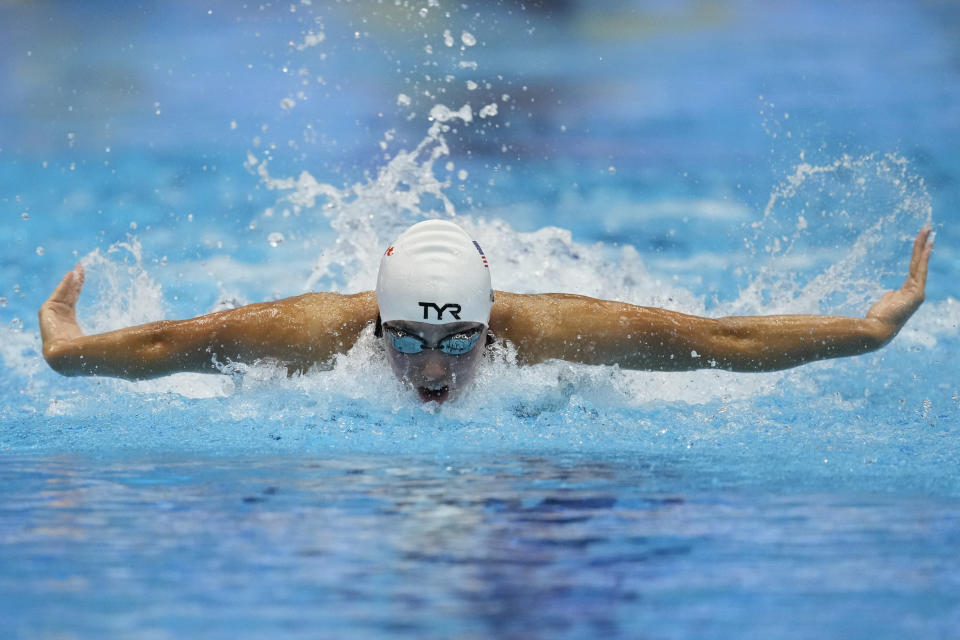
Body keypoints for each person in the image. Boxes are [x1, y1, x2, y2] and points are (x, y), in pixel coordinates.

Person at [39, 220, 933, 404]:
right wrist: (66, 349)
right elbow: (167, 342)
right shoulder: (317, 333)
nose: (434, 369)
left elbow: (715, 339)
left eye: (461, 338)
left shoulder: (544, 330)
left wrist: (869, 329)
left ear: (493, 317)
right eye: (414, 341)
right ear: (378, 323)